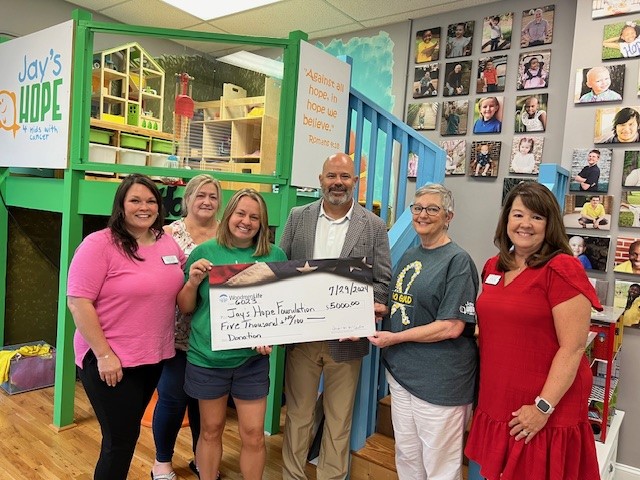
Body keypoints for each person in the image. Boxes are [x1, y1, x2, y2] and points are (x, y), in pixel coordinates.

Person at [465, 181, 603, 480]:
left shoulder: (563, 269)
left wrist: (543, 407)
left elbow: (574, 347)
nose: (525, 224)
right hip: (498, 396)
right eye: (518, 215)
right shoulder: (493, 266)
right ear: (506, 221)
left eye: (536, 217)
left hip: (544, 403)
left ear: (549, 224)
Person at [280, 152, 392, 480]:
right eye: (331, 176)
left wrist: (373, 307)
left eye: (344, 177)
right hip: (302, 338)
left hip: (347, 339)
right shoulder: (298, 217)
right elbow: (282, 266)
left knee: (339, 418)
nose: (337, 183)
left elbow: (382, 279)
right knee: (298, 416)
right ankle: (292, 476)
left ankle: (331, 476)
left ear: (355, 182)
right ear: (321, 180)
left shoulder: (373, 225)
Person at [67, 174, 186, 480]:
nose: (143, 207)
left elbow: (183, 286)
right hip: (110, 361)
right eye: (135, 200)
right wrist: (104, 354)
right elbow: (78, 303)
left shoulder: (166, 242)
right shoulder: (99, 244)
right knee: (119, 442)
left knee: (128, 433)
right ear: (121, 205)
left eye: (150, 201)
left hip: (153, 357)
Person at [368, 184, 478, 480]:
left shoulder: (457, 261)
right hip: (403, 374)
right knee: (407, 454)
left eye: (432, 209)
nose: (423, 214)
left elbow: (452, 326)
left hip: (440, 382)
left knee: (440, 466)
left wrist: (396, 338)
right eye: (417, 208)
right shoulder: (410, 254)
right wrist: (380, 310)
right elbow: (403, 303)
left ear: (448, 216)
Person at [179, 188, 287, 480]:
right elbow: (186, 307)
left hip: (250, 361)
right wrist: (193, 281)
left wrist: (270, 335)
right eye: (241, 213)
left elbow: (280, 310)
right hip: (207, 358)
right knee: (210, 430)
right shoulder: (205, 252)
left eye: (255, 217)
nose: (246, 221)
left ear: (263, 223)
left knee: (253, 434)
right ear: (229, 215)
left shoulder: (275, 256)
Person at [152, 174, 221, 480]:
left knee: (204, 402)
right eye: (201, 195)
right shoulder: (167, 234)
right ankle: (162, 462)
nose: (207, 201)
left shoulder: (227, 235)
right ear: (188, 199)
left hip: (214, 333)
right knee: (172, 396)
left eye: (213, 197)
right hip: (177, 332)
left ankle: (201, 460)